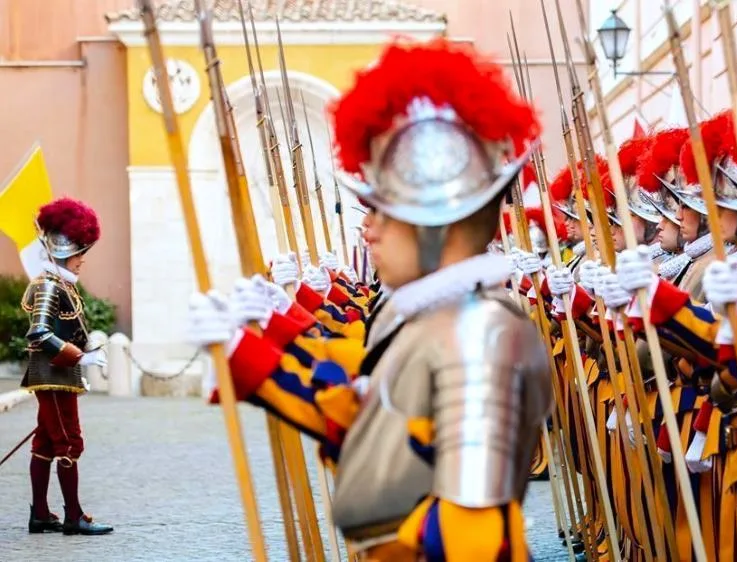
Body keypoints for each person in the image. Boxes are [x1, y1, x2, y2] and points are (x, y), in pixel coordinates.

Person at [189, 38, 552, 561]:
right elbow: (366, 412)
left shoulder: (479, 337)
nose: (370, 230)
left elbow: (471, 531)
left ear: (438, 227)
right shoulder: (439, 319)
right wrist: (246, 350)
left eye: (385, 214)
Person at [21, 197, 113, 536]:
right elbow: (40, 332)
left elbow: (69, 328)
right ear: (62, 253)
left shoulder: (61, 284)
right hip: (53, 375)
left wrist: (88, 349)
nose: (81, 260)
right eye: (78, 254)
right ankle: (73, 516)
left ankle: (40, 514)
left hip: (58, 375)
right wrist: (80, 357)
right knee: (69, 442)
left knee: (46, 442)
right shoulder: (48, 285)